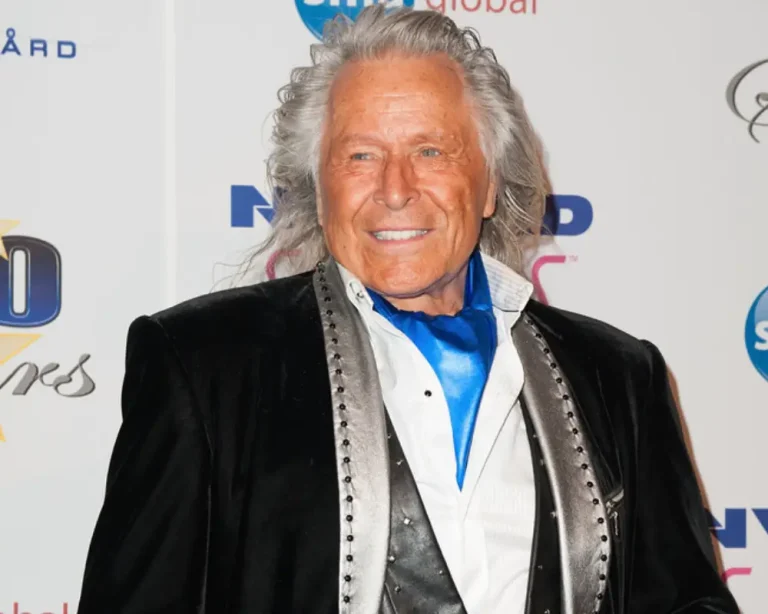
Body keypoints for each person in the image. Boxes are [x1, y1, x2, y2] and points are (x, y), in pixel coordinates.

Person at [77, 6, 739, 614]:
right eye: (360, 155)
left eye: (431, 151)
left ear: (488, 184)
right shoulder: (203, 369)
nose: (395, 189)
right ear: (318, 188)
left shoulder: (618, 377)